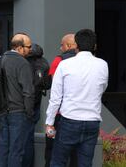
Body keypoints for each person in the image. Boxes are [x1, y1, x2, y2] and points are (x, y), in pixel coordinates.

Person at [45, 29, 108, 167]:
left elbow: (55, 97)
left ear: (76, 46)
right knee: (85, 163)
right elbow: (101, 89)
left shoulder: (65, 64)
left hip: (70, 120)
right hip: (92, 121)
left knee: (58, 161)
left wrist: (49, 122)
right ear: (95, 46)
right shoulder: (103, 65)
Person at [0, 33, 34, 167]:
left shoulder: (0, 60)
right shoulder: (23, 63)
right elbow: (28, 92)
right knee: (16, 150)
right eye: (28, 47)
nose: (30, 49)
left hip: (2, 111)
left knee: (3, 149)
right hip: (18, 111)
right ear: (19, 47)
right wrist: (29, 112)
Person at [45, 33, 78, 167]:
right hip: (80, 115)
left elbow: (55, 91)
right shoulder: (89, 62)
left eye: (62, 45)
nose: (60, 48)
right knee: (76, 153)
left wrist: (50, 121)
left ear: (69, 45)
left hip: (61, 115)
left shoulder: (59, 60)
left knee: (53, 150)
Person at [23, 43, 51, 167]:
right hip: (37, 102)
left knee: (22, 139)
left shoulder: (23, 62)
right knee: (29, 136)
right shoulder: (44, 62)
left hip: (23, 103)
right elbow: (47, 85)